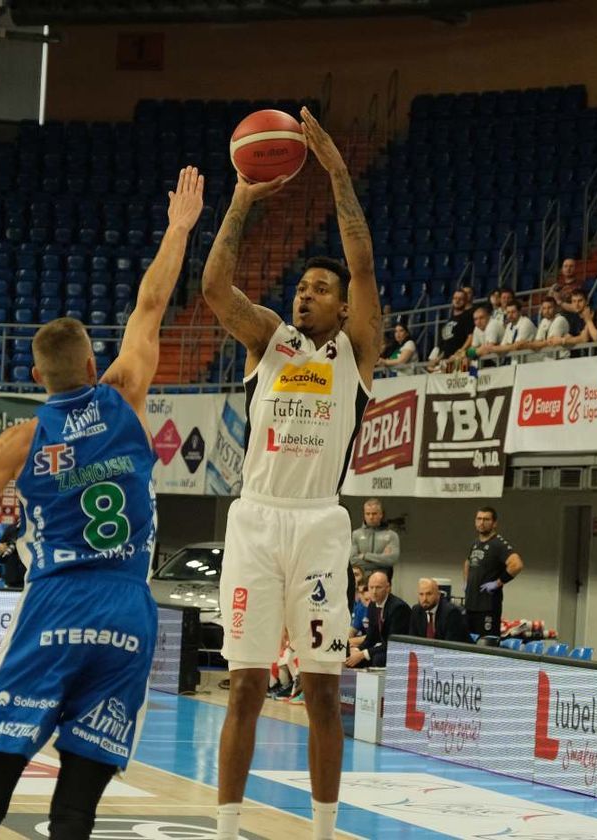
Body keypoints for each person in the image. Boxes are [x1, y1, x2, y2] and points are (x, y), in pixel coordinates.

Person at [0, 166, 205, 840]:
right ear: (93, 365)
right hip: (129, 611)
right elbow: (151, 304)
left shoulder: (21, 439)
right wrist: (179, 226)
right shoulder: (126, 392)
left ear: (36, 377)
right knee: (75, 811)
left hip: (56, 604)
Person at [201, 108, 379, 840]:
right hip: (255, 517)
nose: (304, 294)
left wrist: (337, 171)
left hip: (318, 525)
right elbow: (215, 288)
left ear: (341, 308)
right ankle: (226, 827)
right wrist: (242, 197)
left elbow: (363, 264)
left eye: (318, 289)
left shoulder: (356, 353)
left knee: (321, 690)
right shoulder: (268, 341)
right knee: (242, 685)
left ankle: (323, 831)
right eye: (300, 287)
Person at [462, 507, 523, 637]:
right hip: (470, 605)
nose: (481, 522)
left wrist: (498, 583)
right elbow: (467, 562)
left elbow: (516, 564)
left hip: (488, 607)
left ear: (494, 523)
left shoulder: (498, 544)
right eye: (479, 519)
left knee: (485, 646)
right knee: (468, 646)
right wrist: (466, 582)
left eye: (486, 519)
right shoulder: (475, 543)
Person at [346, 571, 410, 668]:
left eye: (378, 587)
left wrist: (363, 654)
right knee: (351, 657)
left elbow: (393, 643)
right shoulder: (372, 605)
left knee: (378, 658)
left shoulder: (398, 608)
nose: (374, 591)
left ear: (388, 588)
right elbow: (371, 638)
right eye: (371, 587)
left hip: (400, 650)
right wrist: (357, 650)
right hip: (383, 648)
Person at [350, 498, 400, 583]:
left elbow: (391, 560)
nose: (371, 517)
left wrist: (365, 556)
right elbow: (352, 560)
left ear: (381, 514)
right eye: (367, 514)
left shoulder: (391, 535)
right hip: (361, 584)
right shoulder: (356, 534)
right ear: (364, 515)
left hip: (383, 583)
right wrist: (381, 561)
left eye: (374, 514)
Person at [409, 577, 468, 643]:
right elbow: (413, 641)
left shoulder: (451, 613)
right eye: (421, 594)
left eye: (429, 594)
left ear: (438, 595)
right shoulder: (416, 610)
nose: (424, 598)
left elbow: (450, 645)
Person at [428, 288, 473, 371]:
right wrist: (437, 359)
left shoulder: (468, 317)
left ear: (465, 301)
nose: (457, 301)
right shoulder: (448, 320)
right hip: (445, 361)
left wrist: (460, 352)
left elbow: (470, 337)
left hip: (458, 360)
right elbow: (445, 344)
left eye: (460, 299)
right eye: (455, 298)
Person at [0, 522, 26, 589]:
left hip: (27, 576)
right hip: (11, 575)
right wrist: (3, 547)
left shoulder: (34, 529)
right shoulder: (11, 528)